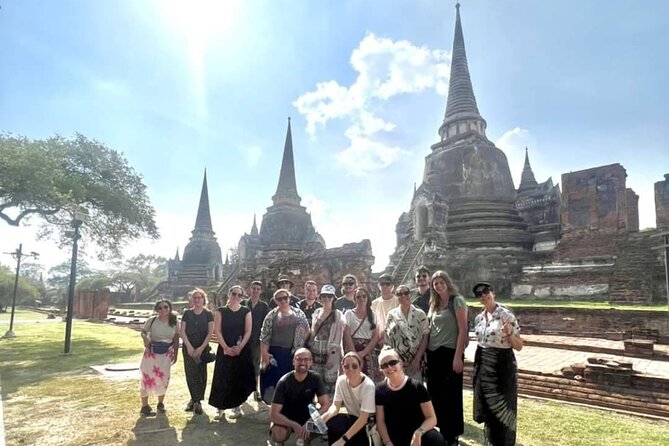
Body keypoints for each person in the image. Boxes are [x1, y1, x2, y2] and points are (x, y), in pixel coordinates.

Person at [472, 282, 523, 446]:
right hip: (483, 367)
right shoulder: (479, 318)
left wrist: (509, 335)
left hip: (502, 368)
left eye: (486, 291)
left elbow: (519, 346)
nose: (483, 295)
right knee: (488, 409)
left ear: (493, 293)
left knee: (502, 408)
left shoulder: (506, 316)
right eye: (479, 294)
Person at [426, 270, 468, 446]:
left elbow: (463, 329)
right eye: (435, 284)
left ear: (447, 283)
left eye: (441, 282)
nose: (438, 286)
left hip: (450, 352)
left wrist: (458, 357)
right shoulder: (434, 304)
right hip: (434, 353)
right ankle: (440, 430)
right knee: (435, 394)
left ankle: (452, 435)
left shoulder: (456, 301)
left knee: (452, 395)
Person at [375, 348, 444, 446]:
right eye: (384, 365)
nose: (390, 367)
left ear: (401, 363)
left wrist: (418, 433)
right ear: (381, 369)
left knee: (435, 439)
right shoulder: (379, 390)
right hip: (394, 436)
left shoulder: (417, 387)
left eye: (393, 362)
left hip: (417, 435)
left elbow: (432, 418)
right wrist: (387, 442)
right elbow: (380, 421)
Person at [209, 285, 255, 419]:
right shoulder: (221, 311)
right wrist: (226, 348)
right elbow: (217, 331)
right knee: (222, 377)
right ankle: (220, 407)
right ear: (229, 294)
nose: (236, 297)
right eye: (234, 294)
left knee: (238, 377)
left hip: (241, 348)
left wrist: (239, 348)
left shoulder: (246, 311)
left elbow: (248, 331)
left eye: (239, 295)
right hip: (225, 348)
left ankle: (237, 406)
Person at [269, 348, 331, 446]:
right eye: (299, 359)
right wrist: (294, 425)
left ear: (311, 362)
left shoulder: (316, 378)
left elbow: (326, 404)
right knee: (278, 434)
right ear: (293, 362)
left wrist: (311, 421)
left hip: (307, 416)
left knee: (326, 425)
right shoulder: (284, 382)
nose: (303, 362)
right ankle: (280, 441)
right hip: (287, 416)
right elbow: (273, 414)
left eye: (306, 359)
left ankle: (305, 439)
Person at [260, 288, 311, 404]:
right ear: (276, 301)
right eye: (279, 299)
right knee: (275, 381)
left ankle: (290, 407)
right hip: (275, 353)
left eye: (285, 298)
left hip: (293, 353)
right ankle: (275, 407)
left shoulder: (299, 313)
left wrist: (300, 343)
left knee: (291, 381)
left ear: (289, 298)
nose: (283, 301)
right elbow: (264, 336)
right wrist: (264, 354)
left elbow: (307, 330)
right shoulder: (271, 315)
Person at [321, 352, 375, 446]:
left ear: (360, 367)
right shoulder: (341, 381)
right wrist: (323, 418)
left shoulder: (368, 386)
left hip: (366, 423)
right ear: (342, 367)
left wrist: (343, 439)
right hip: (352, 418)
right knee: (332, 421)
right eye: (346, 366)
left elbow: (363, 418)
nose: (350, 369)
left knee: (346, 439)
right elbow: (335, 407)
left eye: (354, 366)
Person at [139, 299, 180, 416]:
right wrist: (145, 338)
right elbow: (143, 332)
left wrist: (176, 354)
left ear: (170, 308)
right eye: (160, 308)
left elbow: (176, 339)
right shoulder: (152, 321)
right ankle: (145, 406)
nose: (163, 310)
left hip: (166, 354)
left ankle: (160, 403)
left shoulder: (175, 322)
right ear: (157, 310)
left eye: (166, 307)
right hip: (151, 354)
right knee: (146, 378)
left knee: (164, 378)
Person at [179, 288, 214, 415]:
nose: (197, 299)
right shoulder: (187, 313)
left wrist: (200, 348)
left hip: (202, 346)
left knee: (200, 374)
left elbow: (210, 332)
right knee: (190, 373)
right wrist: (189, 347)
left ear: (204, 299)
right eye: (195, 297)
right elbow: (182, 331)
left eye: (200, 297)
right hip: (189, 346)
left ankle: (197, 400)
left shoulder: (208, 314)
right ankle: (194, 399)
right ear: (192, 300)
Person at [384, 284, 429, 381]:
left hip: (415, 362)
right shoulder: (391, 315)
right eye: (399, 294)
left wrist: (417, 359)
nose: (403, 296)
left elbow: (425, 337)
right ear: (396, 296)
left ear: (410, 294)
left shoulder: (420, 314)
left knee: (415, 392)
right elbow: (388, 340)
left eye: (405, 293)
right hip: (396, 363)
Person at [309, 284, 346, 396]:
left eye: (329, 296)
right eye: (324, 296)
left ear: (333, 298)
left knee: (329, 380)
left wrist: (333, 355)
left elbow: (338, 337)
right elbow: (313, 331)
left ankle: (329, 406)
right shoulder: (316, 312)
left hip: (330, 350)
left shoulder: (338, 315)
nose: (326, 298)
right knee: (316, 378)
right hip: (316, 349)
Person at [343, 287, 381, 382]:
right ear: (355, 299)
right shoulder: (349, 314)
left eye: (364, 296)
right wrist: (354, 354)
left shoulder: (373, 316)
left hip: (368, 351)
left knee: (368, 379)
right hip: (352, 348)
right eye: (358, 297)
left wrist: (363, 353)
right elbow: (347, 335)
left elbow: (375, 337)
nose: (361, 299)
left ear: (367, 298)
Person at [242, 280, 269, 402]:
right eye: (254, 288)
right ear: (249, 289)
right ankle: (242, 389)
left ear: (261, 291)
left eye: (258, 289)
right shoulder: (243, 304)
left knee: (256, 365)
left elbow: (266, 325)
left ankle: (255, 390)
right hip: (243, 340)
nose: (256, 291)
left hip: (257, 340)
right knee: (242, 365)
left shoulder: (264, 306)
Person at [371, 273, 398, 346]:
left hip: (395, 340)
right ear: (379, 286)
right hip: (377, 341)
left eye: (387, 284)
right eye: (382, 284)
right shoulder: (374, 304)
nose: (384, 286)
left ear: (392, 286)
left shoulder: (398, 302)